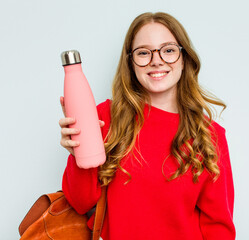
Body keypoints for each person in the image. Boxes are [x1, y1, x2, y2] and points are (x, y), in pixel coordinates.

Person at [59, 12, 235, 240]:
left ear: (184, 58)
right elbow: (81, 203)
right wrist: (77, 154)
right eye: (143, 52)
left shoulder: (209, 135)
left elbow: (219, 228)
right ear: (131, 63)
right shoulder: (104, 117)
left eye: (169, 50)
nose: (156, 60)